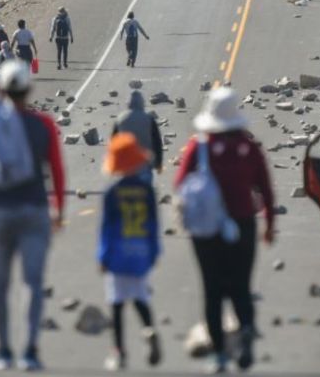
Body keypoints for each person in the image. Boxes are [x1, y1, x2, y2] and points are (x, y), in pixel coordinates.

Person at [0, 59, 65, 372]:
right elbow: (56, 169)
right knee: (33, 282)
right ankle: (30, 350)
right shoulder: (43, 124)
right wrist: (59, 208)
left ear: (1, 89)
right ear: (28, 90)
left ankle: (3, 349)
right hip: (34, 210)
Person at [175, 88, 275, 374]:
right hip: (243, 224)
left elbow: (180, 184)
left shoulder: (199, 147)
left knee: (213, 290)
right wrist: (269, 226)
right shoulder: (249, 148)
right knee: (241, 288)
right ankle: (245, 334)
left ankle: (219, 354)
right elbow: (265, 189)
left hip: (207, 230)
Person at [97, 133, 163, 372]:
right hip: (140, 252)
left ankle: (119, 351)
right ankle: (149, 329)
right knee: (140, 297)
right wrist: (154, 252)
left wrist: (102, 256)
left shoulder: (112, 193)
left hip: (118, 254)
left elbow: (106, 228)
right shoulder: (147, 191)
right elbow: (153, 225)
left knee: (116, 303)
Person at [112, 90, 163, 182]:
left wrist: (113, 163)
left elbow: (113, 142)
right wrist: (158, 163)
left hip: (126, 163)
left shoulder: (120, 119)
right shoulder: (148, 119)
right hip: (144, 162)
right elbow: (157, 142)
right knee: (145, 190)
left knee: (126, 190)